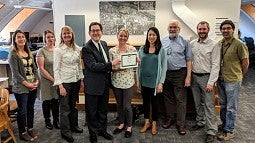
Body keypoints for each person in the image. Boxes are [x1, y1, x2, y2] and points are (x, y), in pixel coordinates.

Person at [82, 22, 120, 143]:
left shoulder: (104, 44)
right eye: (93, 31)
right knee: (92, 111)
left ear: (102, 32)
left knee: (103, 109)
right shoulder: (86, 48)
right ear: (89, 33)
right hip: (92, 86)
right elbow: (93, 66)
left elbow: (104, 61)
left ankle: (102, 130)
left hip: (104, 84)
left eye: (98, 30)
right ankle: (93, 133)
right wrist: (111, 64)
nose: (95, 33)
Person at [217, 20, 249, 141]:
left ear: (233, 30)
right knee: (223, 105)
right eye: (223, 28)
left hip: (233, 80)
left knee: (231, 107)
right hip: (221, 79)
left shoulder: (239, 44)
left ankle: (230, 131)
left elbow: (245, 63)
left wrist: (239, 76)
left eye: (228, 28)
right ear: (221, 30)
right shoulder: (220, 43)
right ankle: (225, 125)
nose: (225, 30)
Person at [189, 21, 220, 143]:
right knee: (197, 103)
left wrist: (211, 82)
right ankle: (200, 122)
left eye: (204, 29)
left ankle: (211, 131)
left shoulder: (214, 45)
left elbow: (216, 65)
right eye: (200, 29)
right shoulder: (192, 44)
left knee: (209, 105)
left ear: (208, 30)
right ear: (197, 30)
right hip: (194, 78)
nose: (202, 31)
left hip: (207, 78)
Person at [161, 19, 192, 135]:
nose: (172, 29)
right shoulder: (163, 41)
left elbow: (189, 60)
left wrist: (188, 77)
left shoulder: (185, 41)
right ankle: (170, 119)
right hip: (166, 73)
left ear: (179, 29)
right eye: (171, 27)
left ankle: (181, 124)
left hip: (180, 73)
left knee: (180, 100)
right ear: (167, 28)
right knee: (167, 98)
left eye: (175, 27)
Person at [53, 26, 84, 142]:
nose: (66, 35)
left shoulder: (77, 49)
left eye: (68, 33)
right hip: (64, 83)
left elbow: (79, 66)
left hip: (75, 81)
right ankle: (65, 132)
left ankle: (74, 126)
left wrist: (81, 80)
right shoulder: (58, 50)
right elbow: (56, 69)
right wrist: (60, 86)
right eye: (64, 34)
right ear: (61, 36)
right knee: (65, 109)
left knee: (73, 107)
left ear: (72, 35)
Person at [8, 30, 39, 141]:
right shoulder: (13, 54)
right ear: (15, 40)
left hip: (32, 85)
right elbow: (15, 74)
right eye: (18, 37)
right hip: (21, 88)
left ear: (25, 39)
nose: (21, 39)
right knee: (22, 111)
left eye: (23, 37)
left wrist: (36, 81)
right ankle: (22, 131)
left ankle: (30, 128)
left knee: (30, 108)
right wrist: (28, 84)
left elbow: (35, 69)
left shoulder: (28, 51)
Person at [137, 27, 167, 135]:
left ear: (157, 36)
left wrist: (161, 82)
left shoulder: (161, 50)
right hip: (144, 81)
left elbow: (164, 68)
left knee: (155, 104)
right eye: (150, 35)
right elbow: (138, 66)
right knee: (145, 103)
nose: (151, 37)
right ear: (147, 36)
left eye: (154, 35)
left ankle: (154, 123)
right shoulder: (142, 49)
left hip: (155, 83)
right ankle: (146, 122)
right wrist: (138, 80)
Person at [109, 28, 137, 138]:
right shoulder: (112, 51)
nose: (123, 38)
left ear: (127, 37)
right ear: (117, 36)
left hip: (128, 82)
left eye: (125, 36)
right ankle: (121, 124)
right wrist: (117, 68)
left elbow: (135, 64)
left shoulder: (132, 49)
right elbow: (110, 66)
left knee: (127, 106)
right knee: (119, 105)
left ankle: (129, 126)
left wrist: (137, 61)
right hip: (116, 81)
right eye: (121, 35)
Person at [36, 30, 60, 130]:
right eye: (48, 37)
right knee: (46, 101)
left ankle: (56, 120)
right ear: (45, 39)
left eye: (52, 37)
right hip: (46, 79)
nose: (50, 39)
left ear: (55, 38)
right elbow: (41, 68)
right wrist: (52, 79)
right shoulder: (41, 51)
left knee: (55, 101)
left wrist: (57, 79)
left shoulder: (58, 49)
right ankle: (47, 121)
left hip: (56, 78)